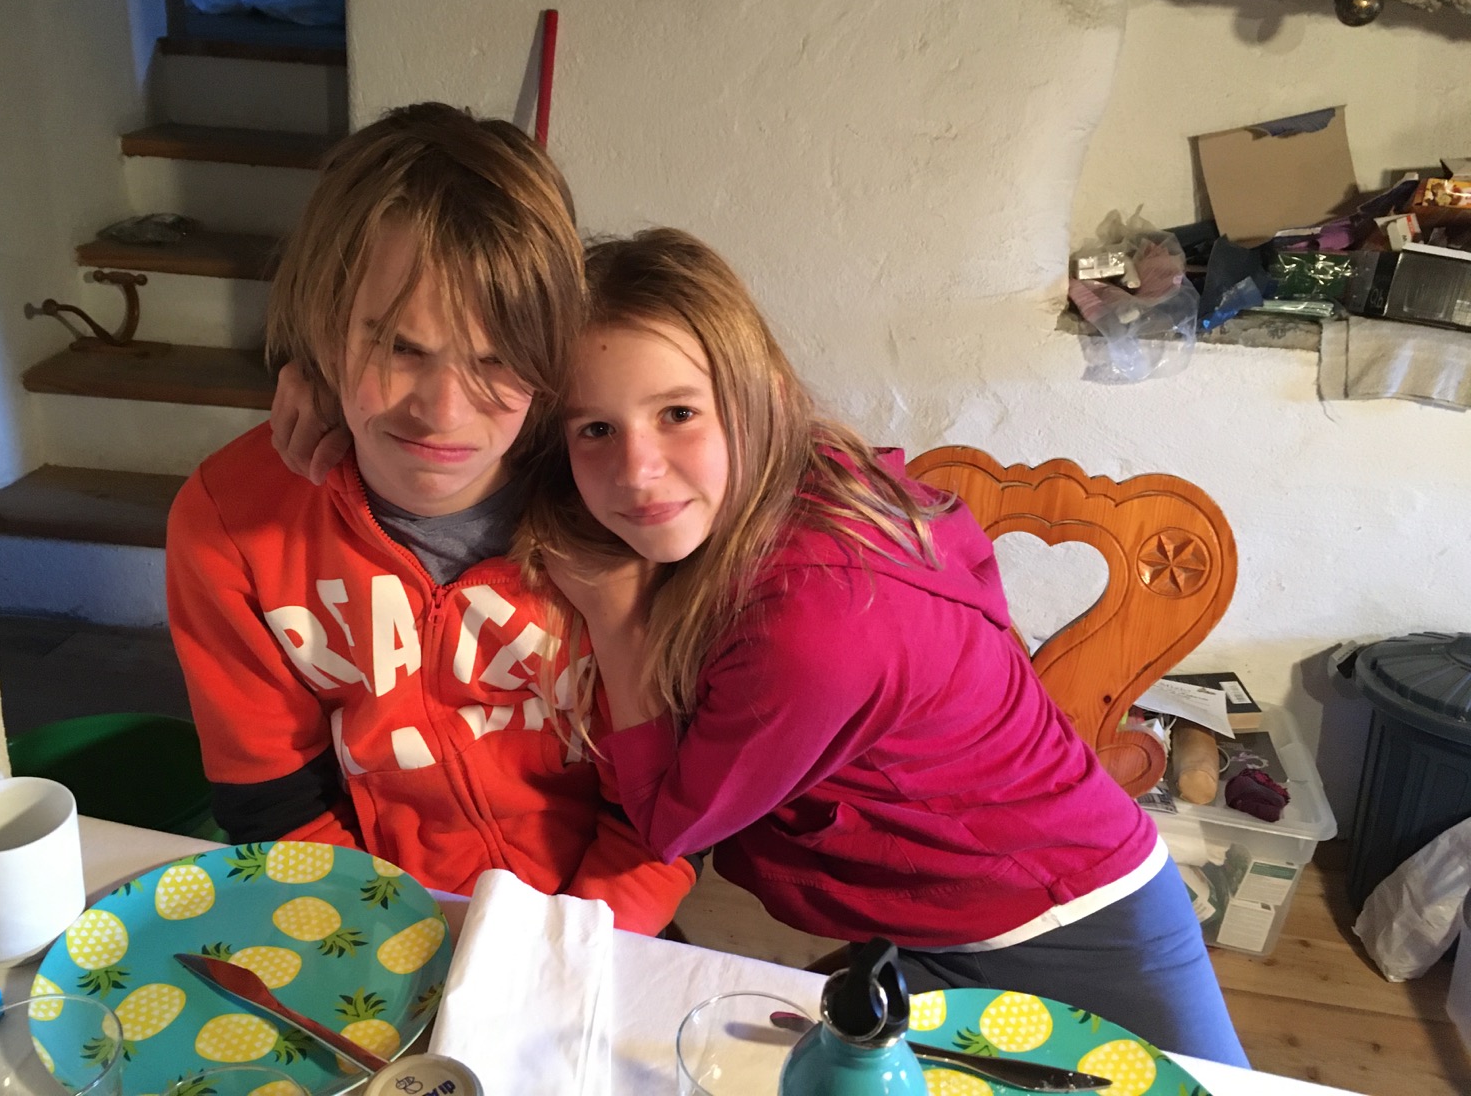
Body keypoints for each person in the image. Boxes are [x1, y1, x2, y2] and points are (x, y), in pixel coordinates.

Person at [513, 227, 1250, 1064]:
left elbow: (672, 822)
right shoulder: (817, 468)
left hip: (1071, 923)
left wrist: (616, 622)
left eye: (678, 413)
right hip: (941, 911)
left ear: (757, 398)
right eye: (595, 429)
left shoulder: (815, 623)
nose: (637, 471)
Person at [166, 104, 695, 935]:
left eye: (496, 357)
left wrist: (560, 954)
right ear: (324, 324)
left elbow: (668, 805)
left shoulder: (627, 498)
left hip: (602, 926)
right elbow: (272, 803)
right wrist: (390, 945)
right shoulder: (230, 524)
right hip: (369, 925)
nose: (444, 412)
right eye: (401, 348)